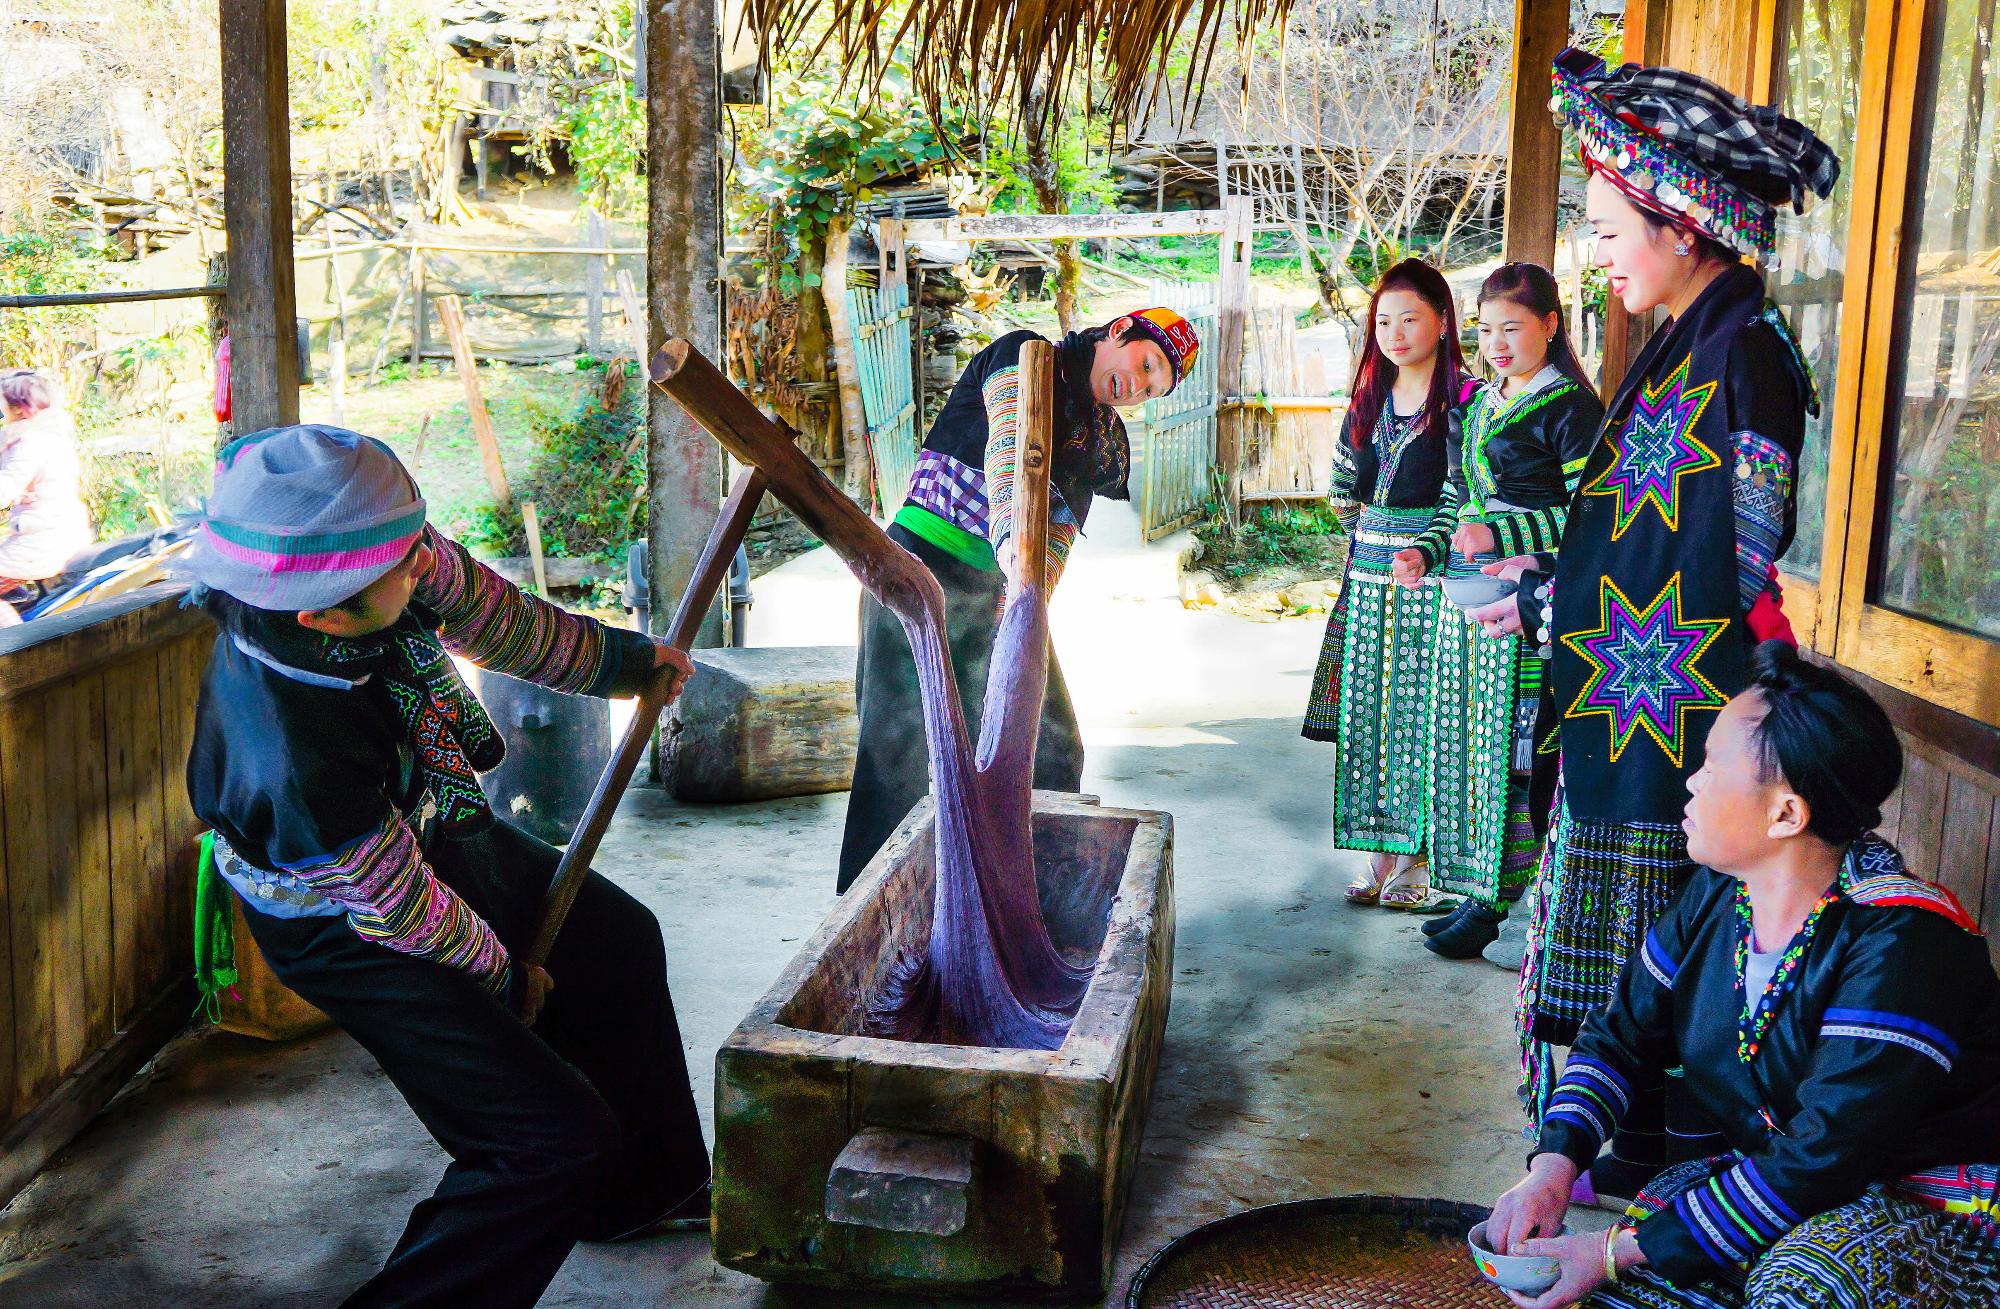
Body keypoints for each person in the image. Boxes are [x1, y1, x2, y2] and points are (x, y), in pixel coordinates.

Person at [184, 426, 711, 1309]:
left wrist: (624, 662)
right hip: (334, 915)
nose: (426, 568)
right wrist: (504, 981)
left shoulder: (383, 564)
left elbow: (496, 615)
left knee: (616, 941)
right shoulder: (290, 748)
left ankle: (643, 1192)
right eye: (408, 569)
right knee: (546, 1143)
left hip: (422, 826)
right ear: (323, 612)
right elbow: (401, 909)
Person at [1466, 49, 1840, 1193]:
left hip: (1679, 713)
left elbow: (1728, 561)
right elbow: (1641, 537)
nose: (1594, 251)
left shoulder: (1744, 357)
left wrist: (1549, 606)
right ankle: (1588, 1147)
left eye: (1606, 226)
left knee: (1660, 933)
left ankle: (1638, 1162)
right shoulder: (1691, 342)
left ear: (1681, 227)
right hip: (1639, 695)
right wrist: (1547, 598)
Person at [1484, 644, 2000, 1309]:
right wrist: (1553, 1168)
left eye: (1712, 764)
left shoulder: (1904, 944)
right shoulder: (1719, 896)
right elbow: (1617, 1036)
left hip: (1939, 1202)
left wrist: (1610, 1250)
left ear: (1787, 813)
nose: (1692, 782)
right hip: (1819, 1185)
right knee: (1645, 1241)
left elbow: (1821, 1157)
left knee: (1800, 1287)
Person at [837, 308, 1200, 892]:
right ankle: (863, 920)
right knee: (896, 753)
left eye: (1152, 389)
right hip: (915, 569)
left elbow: (1057, 531)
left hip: (997, 593)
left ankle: (1034, 909)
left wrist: (1028, 601)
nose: (1137, 388)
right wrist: (1013, 553)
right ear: (1118, 333)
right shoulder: (1025, 354)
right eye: (1145, 364)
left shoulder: (1102, 438)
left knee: (1054, 752)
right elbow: (1011, 455)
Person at [1417, 263, 1603, 960]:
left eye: (1513, 328)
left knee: (1518, 757)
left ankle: (1507, 905)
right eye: (1486, 329)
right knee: (1472, 749)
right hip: (1470, 602)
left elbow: (1597, 516)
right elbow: (1457, 495)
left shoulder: (1572, 409)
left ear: (1551, 327)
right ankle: (1479, 890)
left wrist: (1506, 536)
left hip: (1534, 608)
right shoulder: (1479, 402)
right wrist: (1432, 554)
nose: (1497, 343)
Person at [1302, 258, 1474, 911]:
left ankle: (1420, 858)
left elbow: (1467, 495)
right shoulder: (1371, 395)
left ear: (1442, 319)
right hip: (1370, 577)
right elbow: (1343, 491)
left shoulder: (1467, 397)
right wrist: (1373, 537)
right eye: (1383, 320)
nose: (1395, 332)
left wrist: (1423, 545)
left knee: (1421, 714)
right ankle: (1379, 854)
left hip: (1434, 579)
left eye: (1409, 318)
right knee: (1371, 717)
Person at [0, 369, 92, 626]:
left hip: (42, 540)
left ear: (17, 408)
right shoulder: (51, 436)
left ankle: (15, 649)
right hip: (58, 531)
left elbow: (4, 489)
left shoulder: (27, 443)